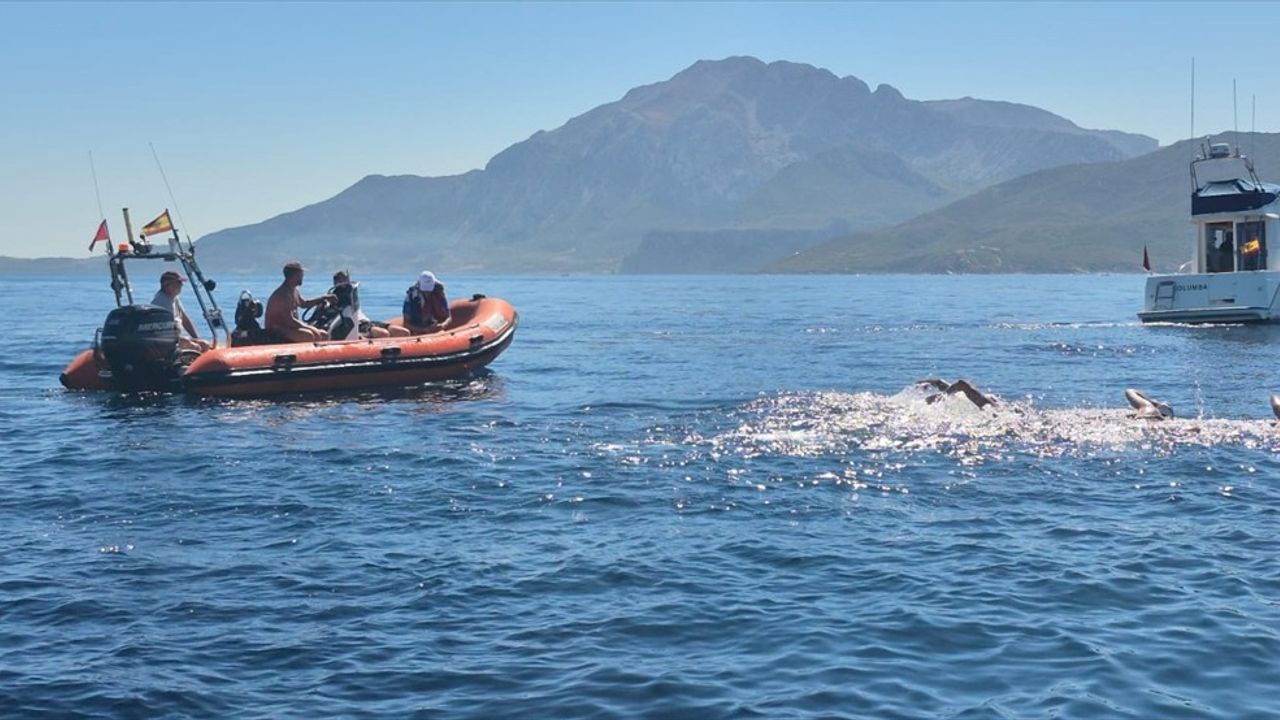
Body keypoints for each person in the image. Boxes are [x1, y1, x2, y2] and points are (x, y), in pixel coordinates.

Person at [326, 270, 409, 339]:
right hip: (357, 325)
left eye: (345, 280)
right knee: (383, 334)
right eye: (341, 281)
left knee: (403, 332)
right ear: (335, 282)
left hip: (366, 322)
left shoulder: (351, 294)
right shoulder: (331, 300)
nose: (344, 283)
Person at [264, 261, 333, 343]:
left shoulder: (294, 290)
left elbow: (304, 304)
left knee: (324, 335)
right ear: (292, 276)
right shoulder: (282, 295)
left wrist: (322, 298)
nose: (302, 277)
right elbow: (290, 321)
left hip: (290, 328)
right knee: (309, 335)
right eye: (300, 275)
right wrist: (310, 328)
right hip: (277, 330)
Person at [150, 270, 212, 353]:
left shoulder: (174, 298)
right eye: (179, 283)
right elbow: (164, 329)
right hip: (166, 339)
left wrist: (196, 338)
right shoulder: (161, 302)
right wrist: (185, 341)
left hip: (176, 337)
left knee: (205, 344)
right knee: (196, 347)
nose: (181, 285)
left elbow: (184, 319)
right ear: (168, 285)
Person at [915, 378, 997, 409]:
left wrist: (943, 396)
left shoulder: (984, 403)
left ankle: (926, 383)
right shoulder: (983, 402)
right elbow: (962, 384)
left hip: (986, 407)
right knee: (940, 383)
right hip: (986, 406)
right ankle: (926, 383)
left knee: (943, 387)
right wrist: (943, 395)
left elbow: (962, 383)